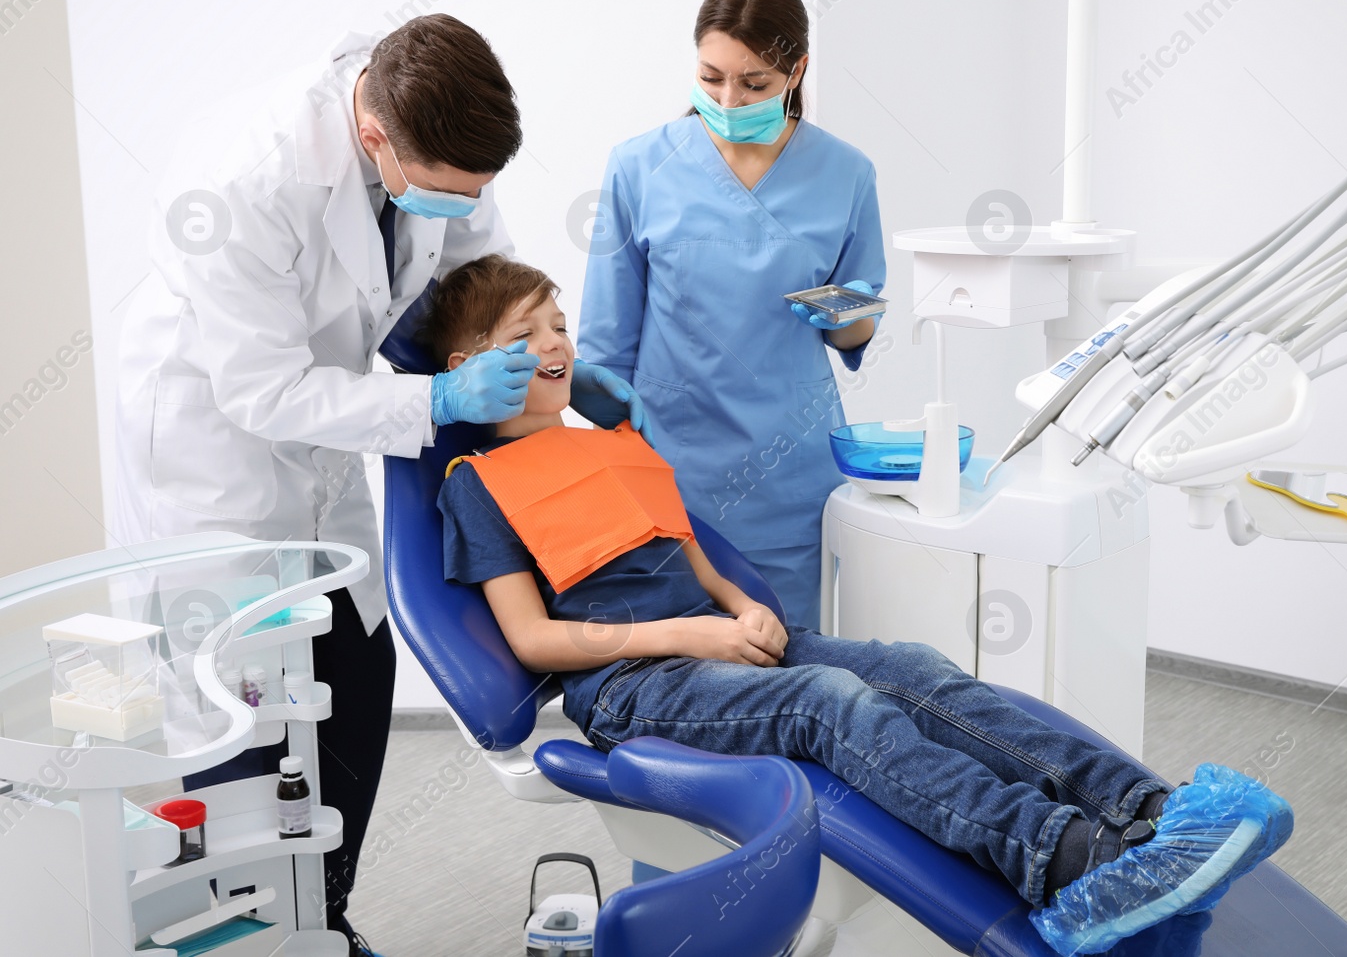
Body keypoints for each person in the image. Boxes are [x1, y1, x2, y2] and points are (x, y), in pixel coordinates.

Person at [428, 256, 1295, 954]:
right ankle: (1069, 862)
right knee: (830, 703)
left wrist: (737, 603)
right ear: (468, 369)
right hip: (633, 684)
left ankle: (1151, 814)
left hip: (717, 637)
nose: (556, 342)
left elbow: (684, 544)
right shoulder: (481, 484)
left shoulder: (611, 442)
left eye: (560, 324)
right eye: (525, 332)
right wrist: (696, 630)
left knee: (913, 669)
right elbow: (533, 638)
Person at [113, 16, 647, 957]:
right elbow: (259, 389)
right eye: (449, 192)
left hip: (323, 457)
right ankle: (255, 933)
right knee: (245, 726)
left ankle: (323, 915)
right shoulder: (245, 179)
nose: (466, 205)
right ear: (374, 137)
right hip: (219, 471)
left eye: (477, 189)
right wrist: (439, 395)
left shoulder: (434, 138)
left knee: (356, 674)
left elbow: (479, 278)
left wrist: (555, 362)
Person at [579, 0, 885, 630]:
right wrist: (618, 473)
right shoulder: (639, 167)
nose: (729, 98)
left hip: (790, 478)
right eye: (711, 77)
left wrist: (851, 313)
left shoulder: (846, 174)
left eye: (755, 85)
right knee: (683, 678)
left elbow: (855, 332)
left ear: (796, 71)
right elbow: (605, 347)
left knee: (789, 670)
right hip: (669, 471)